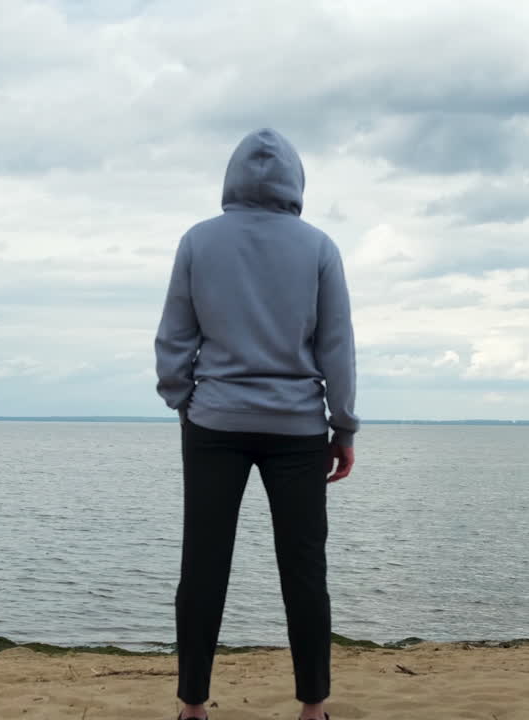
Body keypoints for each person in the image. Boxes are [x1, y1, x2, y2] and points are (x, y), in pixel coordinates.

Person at [155, 128, 359, 720]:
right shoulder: (319, 247)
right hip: (297, 428)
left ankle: (193, 707)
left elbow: (174, 336)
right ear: (297, 182)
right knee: (303, 568)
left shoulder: (198, 241)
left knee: (203, 563)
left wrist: (183, 399)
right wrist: (342, 427)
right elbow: (337, 347)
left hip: (213, 421)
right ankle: (313, 707)